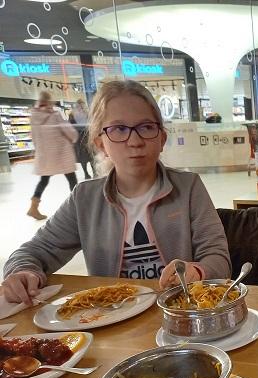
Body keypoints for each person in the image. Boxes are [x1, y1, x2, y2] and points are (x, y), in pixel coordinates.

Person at [2, 80, 231, 305]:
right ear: (101, 143)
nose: (135, 141)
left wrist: (198, 271)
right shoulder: (84, 199)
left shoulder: (188, 187)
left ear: (162, 138)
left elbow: (218, 257)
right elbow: (33, 251)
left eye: (146, 127)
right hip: (111, 317)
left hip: (180, 310)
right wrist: (23, 272)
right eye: (119, 129)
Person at [27, 91, 79, 220]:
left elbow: (34, 137)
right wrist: (74, 138)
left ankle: (33, 207)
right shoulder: (54, 114)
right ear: (49, 101)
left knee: (44, 180)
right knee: (72, 179)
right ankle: (79, 206)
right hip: (61, 153)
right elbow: (68, 130)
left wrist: (39, 150)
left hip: (45, 155)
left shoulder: (34, 116)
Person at [69, 99, 95, 180]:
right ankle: (86, 173)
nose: (80, 107)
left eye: (82, 106)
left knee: (91, 156)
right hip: (79, 138)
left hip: (88, 137)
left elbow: (92, 123)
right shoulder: (72, 115)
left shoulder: (88, 114)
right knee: (83, 158)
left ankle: (94, 172)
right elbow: (70, 126)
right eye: (79, 106)